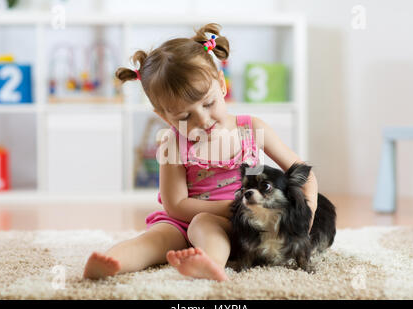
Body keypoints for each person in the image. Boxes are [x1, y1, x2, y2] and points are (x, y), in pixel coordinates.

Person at [83, 23, 318, 281]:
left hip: (244, 222)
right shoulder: (172, 144)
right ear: (163, 116)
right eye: (185, 116)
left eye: (209, 103)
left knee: (206, 224)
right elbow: (176, 205)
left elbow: (301, 171)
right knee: (155, 238)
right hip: (183, 221)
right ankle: (112, 261)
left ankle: (210, 264)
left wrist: (306, 216)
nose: (203, 119)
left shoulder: (251, 129)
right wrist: (232, 206)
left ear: (221, 84)